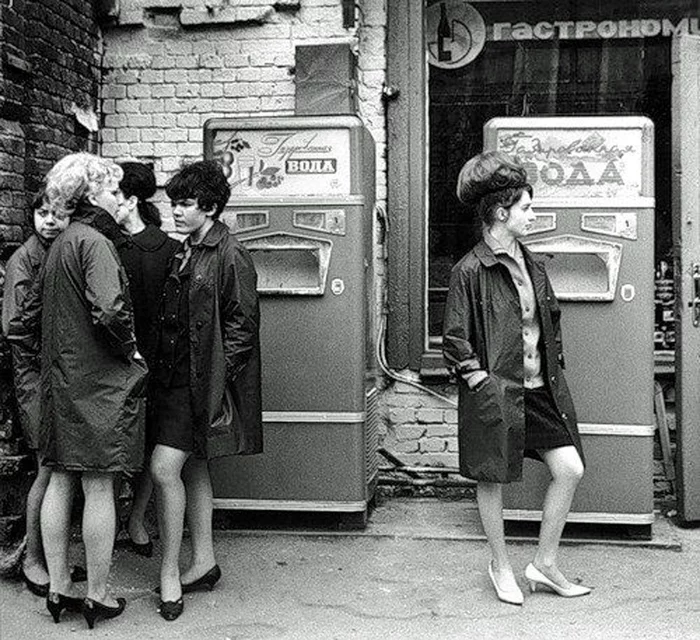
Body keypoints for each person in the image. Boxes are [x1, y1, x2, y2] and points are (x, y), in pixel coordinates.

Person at [442, 150, 590, 606]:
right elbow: (454, 339)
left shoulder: (532, 262)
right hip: (497, 391)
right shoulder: (469, 270)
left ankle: (543, 565)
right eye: (526, 207)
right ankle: (500, 565)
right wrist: (479, 381)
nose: (532, 214)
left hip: (539, 390)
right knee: (491, 478)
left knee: (569, 469)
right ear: (501, 212)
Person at [17, 153, 148, 628]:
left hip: (60, 381)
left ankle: (57, 589)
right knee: (98, 486)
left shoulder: (56, 244)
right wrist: (130, 351)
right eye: (113, 190)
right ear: (93, 195)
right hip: (97, 383)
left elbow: (24, 319)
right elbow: (110, 311)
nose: (119, 199)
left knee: (59, 478)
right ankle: (96, 595)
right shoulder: (94, 242)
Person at [150, 160, 262, 621]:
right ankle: (205, 561)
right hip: (177, 379)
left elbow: (243, 326)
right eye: (173, 202)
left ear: (211, 207)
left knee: (163, 470)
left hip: (198, 382)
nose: (175, 210)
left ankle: (170, 573)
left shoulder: (229, 253)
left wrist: (216, 377)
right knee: (193, 468)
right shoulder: (189, 249)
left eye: (185, 204)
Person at [1, 191, 76, 596]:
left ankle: (52, 557)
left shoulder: (57, 253)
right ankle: (33, 559)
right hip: (36, 377)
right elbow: (13, 326)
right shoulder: (25, 260)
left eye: (59, 214)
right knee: (48, 466)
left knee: (58, 467)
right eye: (42, 213)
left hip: (56, 375)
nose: (49, 220)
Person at [114, 162, 180, 557]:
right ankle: (119, 522)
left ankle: (136, 520)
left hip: (156, 364)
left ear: (132, 200)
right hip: (115, 363)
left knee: (151, 446)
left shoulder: (170, 250)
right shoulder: (103, 246)